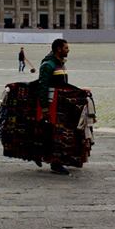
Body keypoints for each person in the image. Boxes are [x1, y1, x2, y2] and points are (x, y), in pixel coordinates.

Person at [36, 39, 72, 175]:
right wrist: (45, 108)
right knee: (56, 135)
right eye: (66, 48)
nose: (68, 50)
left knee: (58, 134)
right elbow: (42, 87)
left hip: (61, 105)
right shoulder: (48, 65)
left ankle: (53, 158)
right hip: (53, 106)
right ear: (58, 49)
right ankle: (56, 163)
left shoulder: (59, 64)